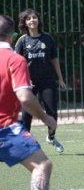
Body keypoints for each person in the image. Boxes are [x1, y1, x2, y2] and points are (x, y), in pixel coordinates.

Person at [0, 15, 57, 190]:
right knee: (42, 165)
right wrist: (45, 117)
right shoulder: (15, 59)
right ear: (12, 36)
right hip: (4, 130)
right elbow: (25, 97)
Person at [15, 9, 66, 153]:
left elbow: (54, 59)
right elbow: (17, 62)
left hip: (47, 80)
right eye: (29, 18)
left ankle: (51, 136)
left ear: (38, 20)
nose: (32, 20)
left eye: (35, 17)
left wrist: (60, 79)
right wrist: (21, 80)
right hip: (28, 83)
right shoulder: (22, 40)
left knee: (52, 113)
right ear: (25, 22)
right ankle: (25, 144)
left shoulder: (48, 38)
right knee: (26, 114)